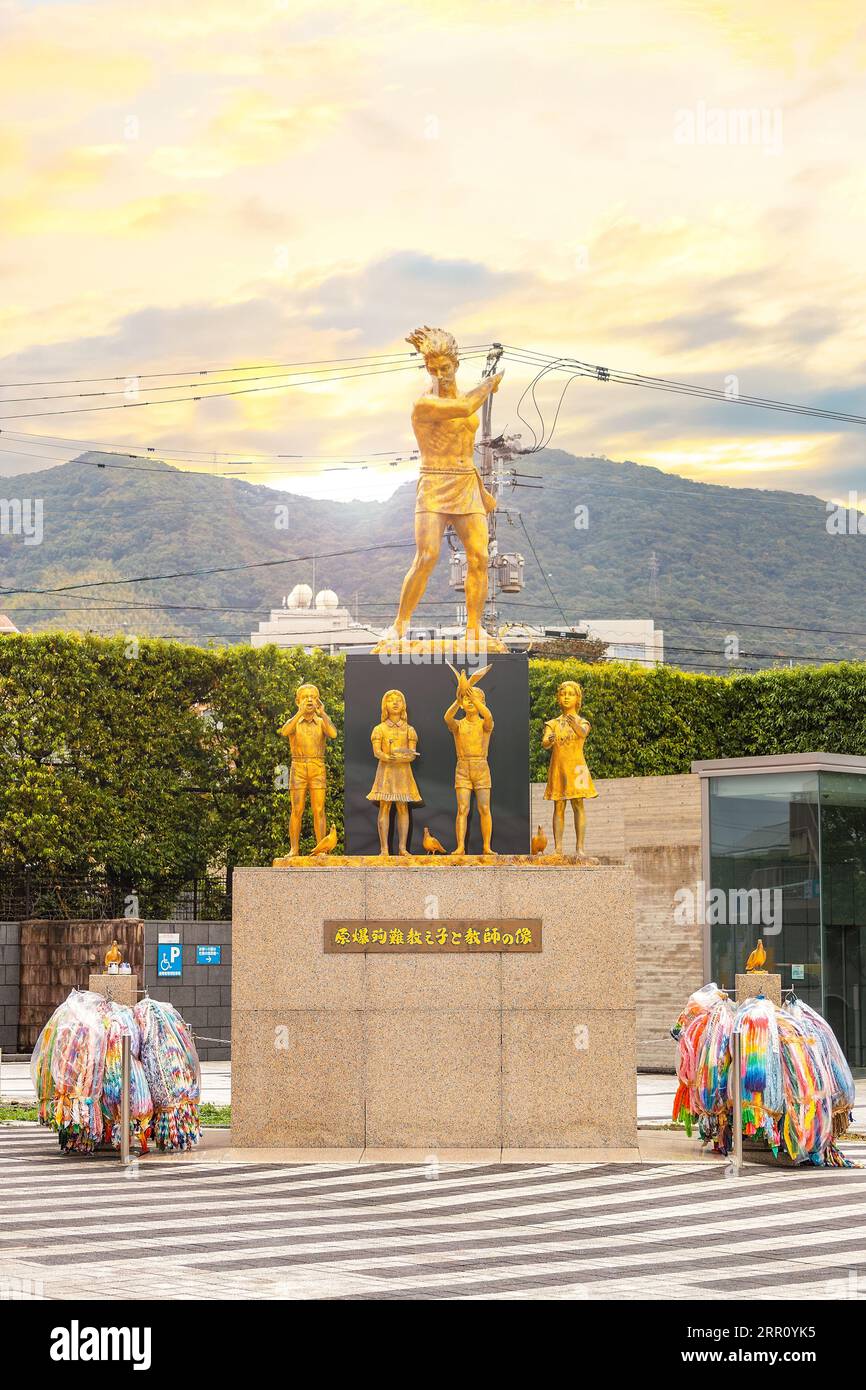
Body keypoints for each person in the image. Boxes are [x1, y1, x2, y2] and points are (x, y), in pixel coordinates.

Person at [380, 326, 502, 646]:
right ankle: (400, 625)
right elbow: (464, 409)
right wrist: (490, 383)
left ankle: (474, 629)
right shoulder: (425, 405)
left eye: (444, 368)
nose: (439, 375)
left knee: (479, 556)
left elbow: (466, 410)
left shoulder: (465, 398)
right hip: (434, 480)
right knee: (427, 556)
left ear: (456, 365)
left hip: (466, 481)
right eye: (432, 369)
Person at [279, 683, 336, 856]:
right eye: (305, 697)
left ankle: (321, 850)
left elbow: (333, 733)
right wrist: (299, 713)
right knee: (297, 809)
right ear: (298, 701)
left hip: (317, 766)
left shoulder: (320, 722)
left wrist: (323, 713)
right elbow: (285, 731)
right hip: (298, 767)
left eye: (313, 697)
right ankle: (294, 849)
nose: (309, 699)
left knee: (319, 809)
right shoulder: (295, 722)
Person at [542, 680, 597, 855]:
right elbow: (545, 742)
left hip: (577, 768)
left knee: (578, 804)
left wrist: (574, 725)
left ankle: (580, 848)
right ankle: (558, 848)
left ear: (577, 698)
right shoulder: (553, 723)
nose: (566, 697)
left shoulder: (583, 721)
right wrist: (549, 740)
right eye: (563, 694)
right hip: (558, 767)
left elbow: (582, 733)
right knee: (559, 805)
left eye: (570, 694)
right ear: (558, 698)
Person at [444, 666, 494, 855]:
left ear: (482, 702)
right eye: (467, 698)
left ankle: (486, 846)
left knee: (484, 807)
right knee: (463, 808)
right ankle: (460, 847)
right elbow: (447, 717)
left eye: (475, 699)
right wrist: (458, 700)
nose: (470, 701)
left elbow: (488, 715)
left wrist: (473, 697)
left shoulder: (485, 723)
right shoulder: (458, 724)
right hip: (463, 767)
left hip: (481, 766)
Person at [367, 690, 422, 856]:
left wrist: (401, 757)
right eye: (391, 700)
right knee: (385, 806)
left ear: (403, 705)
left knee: (403, 807)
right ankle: (384, 849)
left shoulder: (409, 729)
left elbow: (412, 753)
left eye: (398, 700)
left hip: (403, 772)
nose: (395, 703)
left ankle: (403, 848)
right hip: (386, 771)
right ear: (385, 705)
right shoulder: (379, 729)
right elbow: (377, 751)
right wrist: (386, 756)